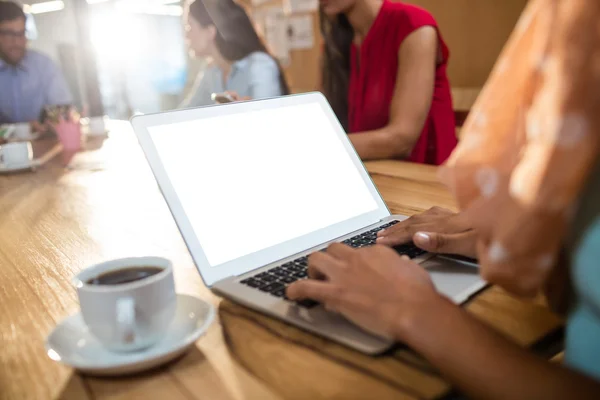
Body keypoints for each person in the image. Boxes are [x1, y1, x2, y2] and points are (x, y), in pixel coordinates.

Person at [287, 0, 600, 397]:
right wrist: (529, 238)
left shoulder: (412, 23)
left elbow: (401, 135)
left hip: (425, 174)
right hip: (393, 188)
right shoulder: (341, 40)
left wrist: (415, 309)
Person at [320, 0, 456, 164]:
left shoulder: (413, 24)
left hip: (428, 179)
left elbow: (402, 139)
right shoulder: (336, 41)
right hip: (376, 173)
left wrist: (321, 146)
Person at [181, 0, 289, 108]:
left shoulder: (260, 65)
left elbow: (265, 117)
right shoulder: (211, 72)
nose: (186, 36)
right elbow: (185, 112)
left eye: (189, 27)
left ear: (210, 31)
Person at [0, 1, 72, 128]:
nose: (17, 42)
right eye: (9, 34)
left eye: (21, 33)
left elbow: (63, 109)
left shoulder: (44, 65)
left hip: (42, 143)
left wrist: (50, 123)